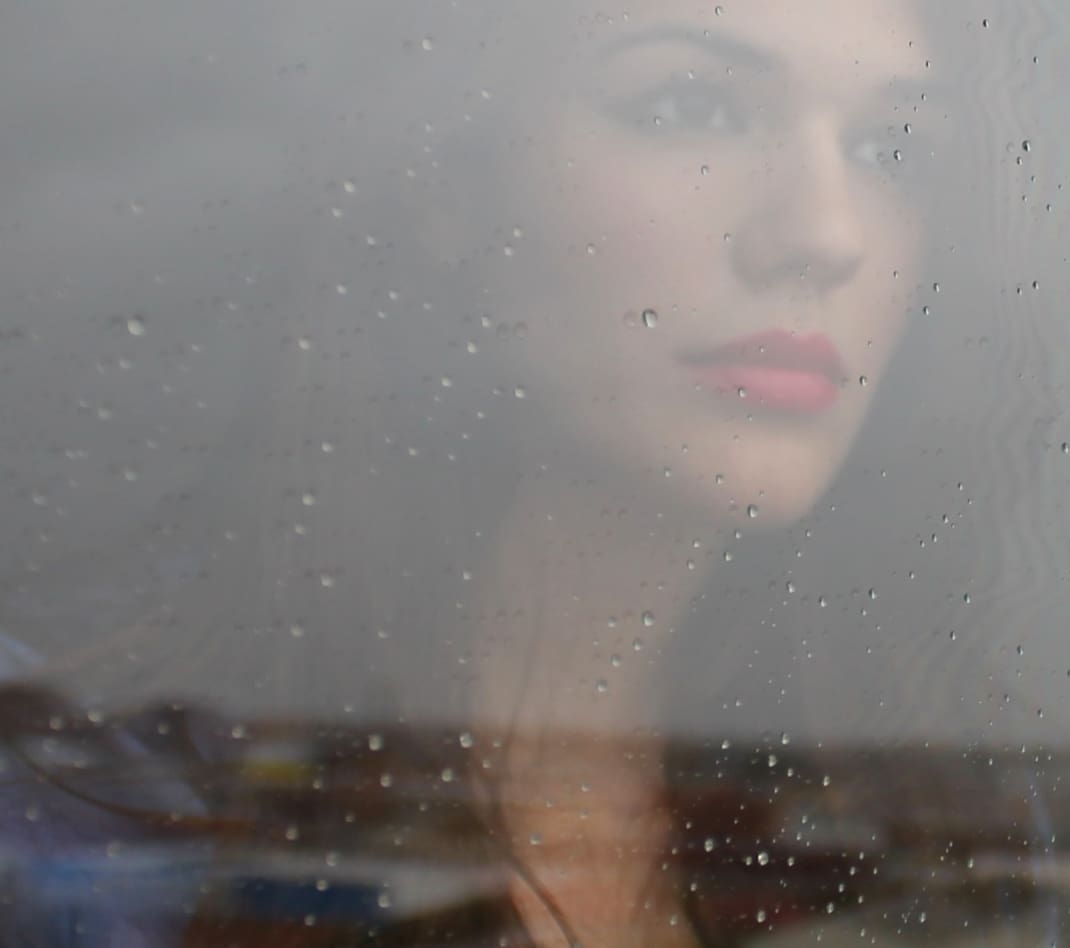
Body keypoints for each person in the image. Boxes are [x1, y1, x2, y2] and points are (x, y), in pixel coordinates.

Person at [0, 1, 1014, 946]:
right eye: (691, 107)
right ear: (452, 186)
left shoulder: (964, 825)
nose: (824, 236)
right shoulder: (76, 797)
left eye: (893, 150)